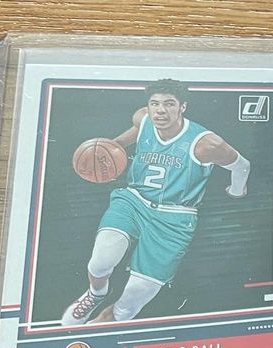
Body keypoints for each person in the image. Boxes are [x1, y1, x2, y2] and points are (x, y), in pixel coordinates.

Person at [62, 79, 251, 326]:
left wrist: (237, 191)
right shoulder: (143, 119)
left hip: (174, 217)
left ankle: (93, 331)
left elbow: (242, 165)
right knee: (100, 262)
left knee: (130, 305)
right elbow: (121, 142)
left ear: (183, 107)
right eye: (155, 103)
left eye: (169, 104)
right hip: (133, 201)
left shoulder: (206, 144)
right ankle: (96, 293)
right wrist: (108, 151)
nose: (160, 110)